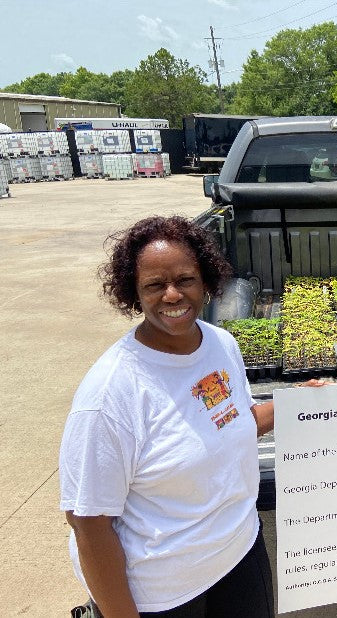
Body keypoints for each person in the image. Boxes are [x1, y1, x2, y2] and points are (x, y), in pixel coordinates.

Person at [59, 216, 321, 617]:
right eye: (153, 285)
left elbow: (232, 424)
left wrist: (296, 403)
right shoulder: (111, 394)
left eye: (185, 280)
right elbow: (88, 523)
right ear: (134, 292)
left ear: (206, 281)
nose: (171, 295)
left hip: (238, 552)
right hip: (164, 592)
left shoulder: (219, 344)